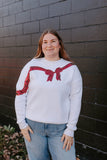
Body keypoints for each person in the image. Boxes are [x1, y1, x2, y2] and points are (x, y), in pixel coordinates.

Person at [15, 29, 83, 160]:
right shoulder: (31, 66)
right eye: (45, 42)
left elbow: (76, 100)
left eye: (53, 41)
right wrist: (21, 124)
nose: (49, 45)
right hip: (33, 128)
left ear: (59, 45)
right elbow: (20, 94)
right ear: (41, 46)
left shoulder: (71, 69)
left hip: (61, 130)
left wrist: (70, 129)